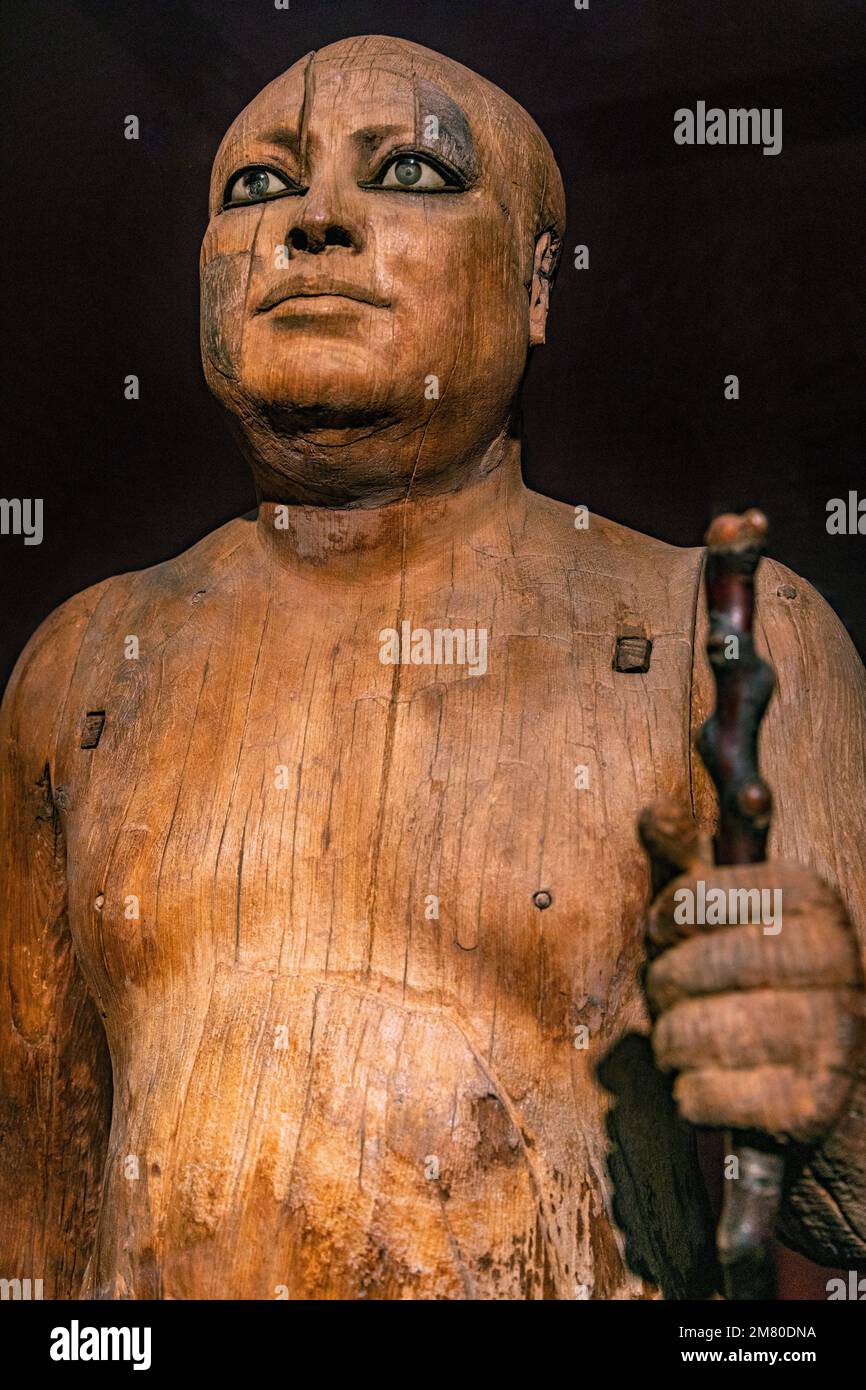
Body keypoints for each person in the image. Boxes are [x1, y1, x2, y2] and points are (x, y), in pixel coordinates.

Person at [1, 35, 863, 1300]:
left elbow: (842, 1191)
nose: (314, 225)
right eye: (256, 187)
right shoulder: (85, 669)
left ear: (533, 287)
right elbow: (38, 1201)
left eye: (405, 170)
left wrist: (829, 1104)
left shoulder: (721, 637)